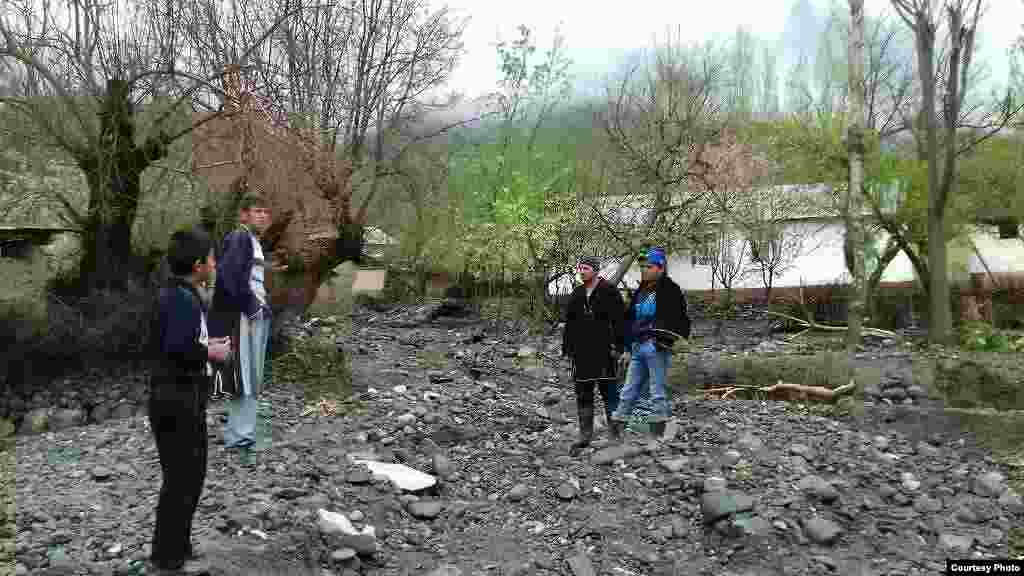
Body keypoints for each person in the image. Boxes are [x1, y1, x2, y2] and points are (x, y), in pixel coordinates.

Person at [147, 227, 231, 575]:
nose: (215, 263)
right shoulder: (179, 299)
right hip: (176, 402)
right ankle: (168, 561)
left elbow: (181, 339)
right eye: (212, 258)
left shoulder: (182, 294)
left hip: (179, 400)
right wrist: (212, 351)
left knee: (187, 479)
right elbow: (178, 348)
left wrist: (209, 343)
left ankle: (177, 549)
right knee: (183, 481)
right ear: (199, 265)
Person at [210, 192, 273, 450]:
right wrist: (252, 307)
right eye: (257, 211)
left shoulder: (252, 241)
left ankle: (240, 433)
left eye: (265, 211)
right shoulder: (241, 237)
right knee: (246, 374)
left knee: (249, 374)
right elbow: (228, 275)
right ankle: (240, 437)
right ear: (244, 214)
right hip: (244, 318)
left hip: (251, 315)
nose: (263, 215)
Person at [610, 247, 690, 440]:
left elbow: (680, 320)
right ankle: (618, 426)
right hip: (638, 347)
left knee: (656, 390)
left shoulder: (671, 290)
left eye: (650, 266)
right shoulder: (641, 291)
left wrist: (664, 341)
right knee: (629, 388)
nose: (645, 270)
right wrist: (626, 348)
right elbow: (630, 321)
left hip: (656, 347)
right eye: (643, 266)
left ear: (661, 268)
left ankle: (657, 433)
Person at [562, 256, 626, 451]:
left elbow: (621, 322)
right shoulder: (576, 293)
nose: (581, 271)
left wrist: (621, 348)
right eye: (580, 268)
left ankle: (615, 435)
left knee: (610, 394)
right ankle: (585, 435)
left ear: (596, 271)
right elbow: (570, 325)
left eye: (586, 268)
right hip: (581, 354)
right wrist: (568, 349)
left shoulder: (610, 292)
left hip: (605, 352)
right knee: (583, 393)